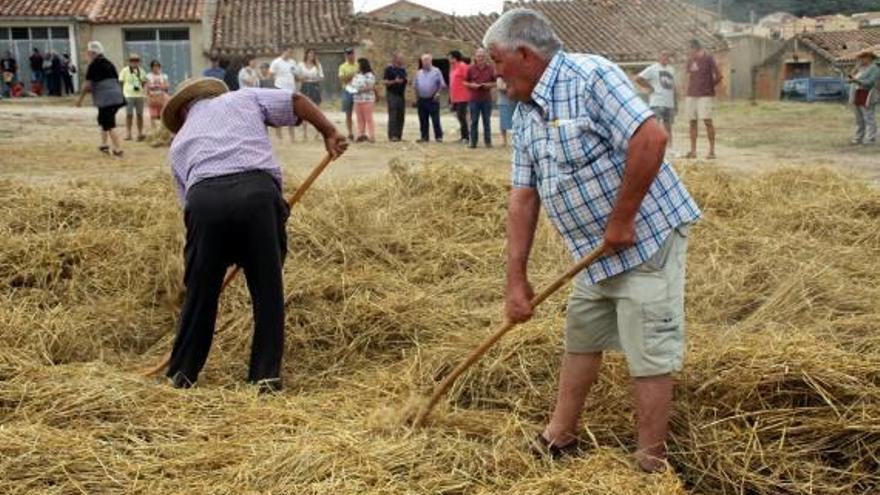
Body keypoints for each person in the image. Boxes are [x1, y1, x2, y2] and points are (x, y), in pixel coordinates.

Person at [484, 9, 701, 472]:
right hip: (592, 255)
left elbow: (650, 138)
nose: (496, 76)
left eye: (498, 62)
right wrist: (515, 281)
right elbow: (523, 198)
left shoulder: (590, 76)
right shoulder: (524, 114)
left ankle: (650, 459)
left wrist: (622, 220)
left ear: (525, 54)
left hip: (646, 239)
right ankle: (559, 436)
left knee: (647, 346)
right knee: (581, 334)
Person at [160, 77, 348, 392]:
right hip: (257, 196)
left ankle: (181, 375)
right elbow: (295, 99)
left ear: (183, 113)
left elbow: (190, 209)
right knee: (267, 291)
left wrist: (213, 255)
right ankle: (264, 378)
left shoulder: (178, 144)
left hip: (205, 202)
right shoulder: (244, 98)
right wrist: (329, 132)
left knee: (199, 295)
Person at [76, 41, 125, 158]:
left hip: (106, 99)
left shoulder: (93, 65)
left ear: (93, 53)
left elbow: (87, 85)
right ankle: (104, 145)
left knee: (109, 124)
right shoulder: (109, 63)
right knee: (103, 120)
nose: (87, 55)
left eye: (88, 53)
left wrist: (80, 100)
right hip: (117, 97)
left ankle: (118, 149)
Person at [684, 39, 722, 159]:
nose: (689, 51)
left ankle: (712, 151)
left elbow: (719, 76)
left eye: (690, 49)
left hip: (705, 95)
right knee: (692, 122)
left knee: (707, 121)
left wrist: (709, 86)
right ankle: (693, 151)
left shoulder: (708, 58)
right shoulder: (690, 60)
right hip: (691, 95)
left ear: (695, 48)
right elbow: (688, 76)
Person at [636, 51, 677, 151]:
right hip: (657, 101)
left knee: (668, 125)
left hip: (669, 102)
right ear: (659, 57)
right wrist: (649, 87)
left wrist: (676, 102)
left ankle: (669, 146)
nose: (665, 57)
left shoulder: (671, 70)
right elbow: (638, 78)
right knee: (655, 125)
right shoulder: (653, 68)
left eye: (667, 55)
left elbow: (674, 87)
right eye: (663, 55)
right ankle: (653, 147)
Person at [464, 47, 496, 148]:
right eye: (478, 56)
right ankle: (473, 142)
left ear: (486, 57)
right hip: (474, 99)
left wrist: (489, 85)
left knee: (487, 121)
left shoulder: (491, 68)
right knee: (474, 121)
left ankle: (488, 142)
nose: (480, 58)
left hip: (486, 99)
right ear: (475, 57)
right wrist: (472, 85)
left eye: (482, 56)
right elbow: (465, 81)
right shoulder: (470, 68)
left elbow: (496, 82)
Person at [847, 48, 879, 146]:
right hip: (856, 94)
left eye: (863, 57)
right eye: (860, 58)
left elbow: (870, 82)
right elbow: (850, 78)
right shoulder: (860, 69)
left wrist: (856, 81)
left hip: (867, 94)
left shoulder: (875, 69)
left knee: (868, 117)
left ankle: (870, 138)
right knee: (859, 118)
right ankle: (858, 138)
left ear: (869, 58)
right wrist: (854, 70)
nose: (861, 59)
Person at [414, 54, 446, 143]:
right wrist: (416, 97)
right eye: (423, 61)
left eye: (427, 60)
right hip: (421, 99)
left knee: (435, 119)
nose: (425, 62)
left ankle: (438, 136)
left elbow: (442, 84)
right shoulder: (418, 72)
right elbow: (415, 85)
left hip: (433, 99)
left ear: (431, 61)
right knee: (423, 119)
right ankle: (424, 137)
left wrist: (438, 93)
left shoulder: (436, 71)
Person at [271, 48, 300, 142]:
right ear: (283, 52)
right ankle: (279, 136)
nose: (290, 54)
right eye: (288, 52)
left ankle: (292, 137)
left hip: (291, 89)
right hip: (279, 88)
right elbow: (271, 73)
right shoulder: (276, 62)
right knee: (279, 112)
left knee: (291, 113)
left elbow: (296, 74)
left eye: (291, 52)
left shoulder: (293, 62)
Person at [118, 53, 148, 141]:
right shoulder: (124, 71)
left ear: (139, 62)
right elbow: (121, 82)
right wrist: (121, 94)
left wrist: (144, 93)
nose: (134, 62)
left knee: (140, 115)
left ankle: (140, 132)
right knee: (129, 115)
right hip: (128, 95)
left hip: (139, 95)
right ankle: (128, 133)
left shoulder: (142, 71)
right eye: (132, 60)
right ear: (129, 61)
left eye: (136, 60)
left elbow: (144, 83)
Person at [297, 48, 325, 140]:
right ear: (306, 55)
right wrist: (301, 78)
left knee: (316, 111)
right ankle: (305, 134)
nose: (311, 55)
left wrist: (314, 79)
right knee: (304, 111)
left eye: (313, 54)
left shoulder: (318, 65)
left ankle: (317, 133)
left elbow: (321, 77)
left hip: (314, 86)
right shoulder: (301, 65)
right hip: (305, 86)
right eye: (309, 54)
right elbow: (297, 76)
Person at [382, 51, 408, 142]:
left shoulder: (403, 70)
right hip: (392, 94)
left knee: (401, 115)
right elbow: (385, 82)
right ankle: (392, 135)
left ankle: (399, 135)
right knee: (393, 115)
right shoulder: (389, 69)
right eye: (400, 58)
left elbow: (405, 80)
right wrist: (394, 81)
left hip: (401, 95)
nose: (402, 59)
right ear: (395, 59)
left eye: (402, 58)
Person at [351, 57, 377, 143]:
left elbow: (370, 86)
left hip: (367, 99)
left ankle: (371, 136)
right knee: (359, 118)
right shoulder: (356, 75)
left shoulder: (370, 75)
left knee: (368, 118)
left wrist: (360, 89)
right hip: (357, 99)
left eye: (358, 64)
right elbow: (352, 84)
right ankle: (360, 135)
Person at [449, 50, 471, 144]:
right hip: (455, 96)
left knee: (461, 116)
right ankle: (463, 136)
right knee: (459, 116)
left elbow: (468, 78)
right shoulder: (453, 67)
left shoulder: (463, 66)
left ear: (454, 57)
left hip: (463, 96)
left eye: (449, 57)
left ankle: (466, 137)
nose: (448, 59)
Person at [338, 48, 359, 141]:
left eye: (351, 54)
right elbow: (343, 79)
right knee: (348, 113)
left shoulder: (358, 65)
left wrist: (349, 77)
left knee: (359, 113)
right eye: (348, 54)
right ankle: (350, 133)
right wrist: (354, 76)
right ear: (345, 56)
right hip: (347, 90)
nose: (350, 56)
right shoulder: (342, 66)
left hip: (358, 90)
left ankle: (359, 132)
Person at [146, 60, 170, 130]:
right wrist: (159, 86)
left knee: (162, 115)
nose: (155, 68)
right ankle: (154, 131)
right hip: (152, 98)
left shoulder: (164, 76)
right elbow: (148, 86)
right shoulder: (148, 76)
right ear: (151, 67)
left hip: (162, 98)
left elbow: (166, 86)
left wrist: (155, 86)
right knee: (153, 116)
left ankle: (163, 131)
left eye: (157, 66)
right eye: (154, 66)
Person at [496, 76, 514, 146]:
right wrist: (511, 86)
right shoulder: (500, 76)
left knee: (515, 122)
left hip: (515, 101)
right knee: (503, 123)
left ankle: (514, 139)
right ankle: (504, 140)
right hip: (503, 101)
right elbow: (500, 87)